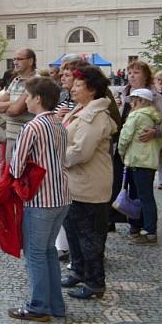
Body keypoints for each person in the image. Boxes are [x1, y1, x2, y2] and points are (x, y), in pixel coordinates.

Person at [5, 76, 70, 323]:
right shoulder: (59, 123)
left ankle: (39, 305)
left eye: (29, 96)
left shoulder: (32, 126)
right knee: (48, 252)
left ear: (38, 99)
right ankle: (55, 304)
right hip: (62, 195)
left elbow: (16, 165)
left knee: (35, 253)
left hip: (40, 198)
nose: (26, 100)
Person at [61, 65, 116, 300]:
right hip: (76, 183)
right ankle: (79, 270)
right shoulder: (82, 110)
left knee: (89, 235)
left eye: (78, 85)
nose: (73, 89)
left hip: (89, 184)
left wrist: (57, 159)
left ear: (92, 90)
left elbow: (81, 151)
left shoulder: (94, 116)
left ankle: (95, 283)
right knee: (74, 231)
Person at [117, 89, 162, 245]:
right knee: (146, 196)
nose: (131, 103)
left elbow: (124, 137)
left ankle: (149, 232)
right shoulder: (155, 118)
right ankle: (144, 230)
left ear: (140, 100)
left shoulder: (137, 115)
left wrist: (121, 153)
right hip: (149, 161)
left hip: (137, 160)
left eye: (133, 100)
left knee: (143, 197)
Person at [0, 49, 37, 165]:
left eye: (19, 59)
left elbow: (15, 110)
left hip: (27, 138)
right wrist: (13, 102)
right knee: (10, 175)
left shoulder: (36, 81)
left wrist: (10, 105)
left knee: (22, 177)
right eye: (14, 59)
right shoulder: (16, 80)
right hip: (11, 135)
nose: (15, 62)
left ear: (30, 61)